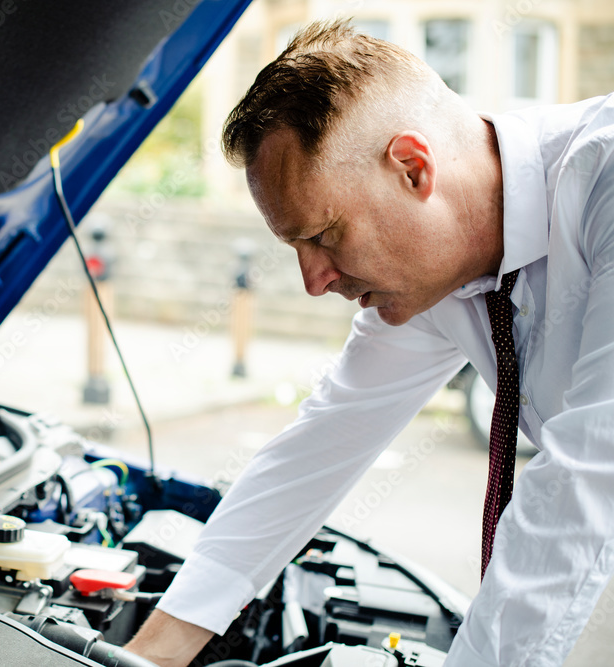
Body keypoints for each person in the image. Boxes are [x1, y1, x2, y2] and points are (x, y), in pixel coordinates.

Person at [124, 19, 614, 667]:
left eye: (324, 236)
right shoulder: (432, 278)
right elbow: (319, 445)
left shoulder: (603, 179)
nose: (313, 280)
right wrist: (151, 651)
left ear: (413, 167)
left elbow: (585, 475)